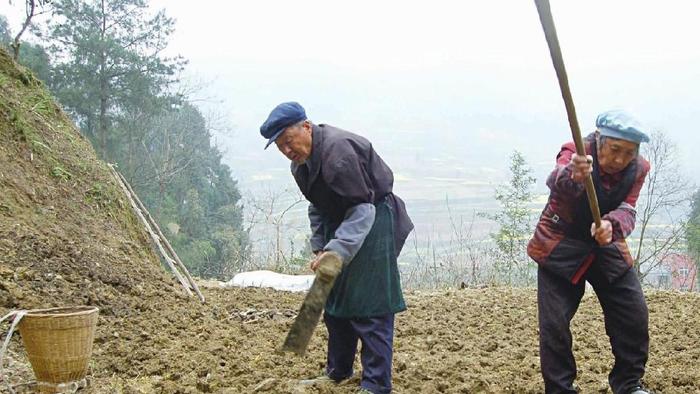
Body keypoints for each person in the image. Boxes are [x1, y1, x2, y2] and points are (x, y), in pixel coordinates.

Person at [260, 102, 414, 394]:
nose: (287, 151)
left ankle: (376, 384)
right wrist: (321, 248)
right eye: (281, 147)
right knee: (332, 301)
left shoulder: (338, 154)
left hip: (372, 219)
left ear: (306, 127)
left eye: (289, 142)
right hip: (342, 220)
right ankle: (338, 371)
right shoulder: (301, 166)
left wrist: (339, 249)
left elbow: (362, 209)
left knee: (370, 304)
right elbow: (317, 208)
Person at [527, 110, 652, 394]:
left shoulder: (639, 168)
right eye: (615, 150)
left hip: (605, 244)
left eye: (628, 153)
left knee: (633, 314)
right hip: (560, 244)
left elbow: (628, 209)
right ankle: (560, 389)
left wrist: (612, 224)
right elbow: (557, 181)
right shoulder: (575, 152)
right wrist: (575, 174)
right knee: (554, 324)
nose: (620, 160)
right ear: (599, 139)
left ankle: (629, 384)